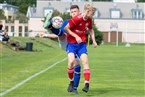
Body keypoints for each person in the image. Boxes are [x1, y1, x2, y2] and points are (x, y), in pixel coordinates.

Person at [41, 5, 82, 93]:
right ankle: (50, 27)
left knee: (76, 65)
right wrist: (46, 35)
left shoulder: (81, 23)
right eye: (72, 12)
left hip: (75, 46)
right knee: (63, 35)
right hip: (65, 43)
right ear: (70, 14)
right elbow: (59, 35)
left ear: (79, 12)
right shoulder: (66, 22)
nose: (74, 13)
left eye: (75, 11)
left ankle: (73, 85)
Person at [64, 3, 97, 94]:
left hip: (82, 45)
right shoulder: (77, 19)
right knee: (71, 62)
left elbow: (91, 30)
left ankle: (87, 84)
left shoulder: (89, 20)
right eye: (91, 14)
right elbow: (66, 28)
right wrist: (76, 36)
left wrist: (94, 41)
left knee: (85, 62)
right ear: (87, 11)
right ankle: (71, 82)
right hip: (71, 44)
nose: (92, 16)